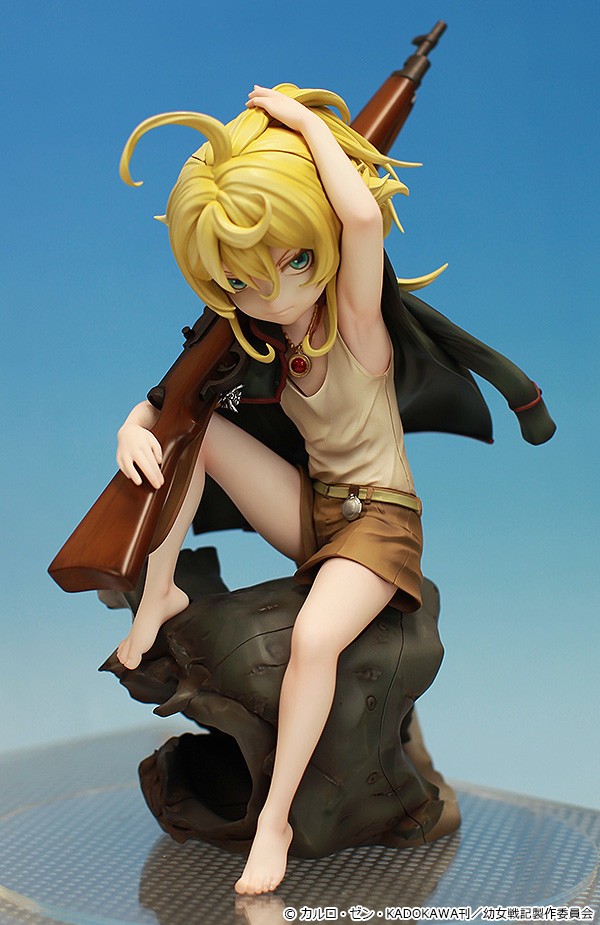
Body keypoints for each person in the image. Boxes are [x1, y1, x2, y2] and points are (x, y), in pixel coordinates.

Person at [112, 84, 553, 893]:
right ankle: (162, 591)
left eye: (294, 261)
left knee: (315, 641)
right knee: (198, 433)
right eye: (243, 278)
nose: (275, 290)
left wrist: (305, 123)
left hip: (381, 524)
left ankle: (275, 820)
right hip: (315, 514)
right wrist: (133, 427)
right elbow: (174, 399)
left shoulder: (355, 321)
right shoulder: (259, 340)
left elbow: (358, 220)